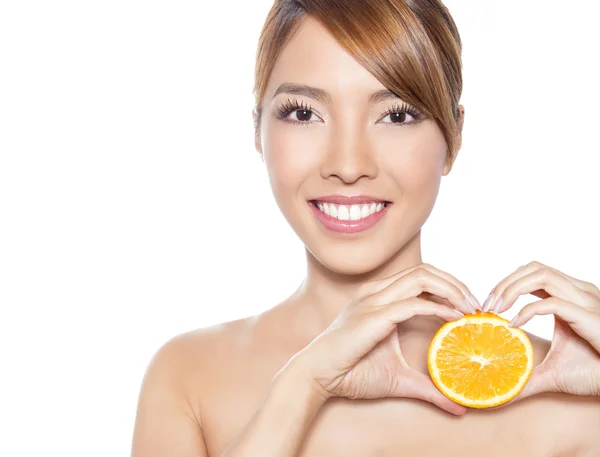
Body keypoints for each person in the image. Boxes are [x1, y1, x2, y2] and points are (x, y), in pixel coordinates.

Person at [130, 1, 600, 455]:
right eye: (303, 113)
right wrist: (303, 383)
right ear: (258, 130)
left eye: (396, 115)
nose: (348, 164)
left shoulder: (569, 394)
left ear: (454, 138)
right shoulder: (189, 378)